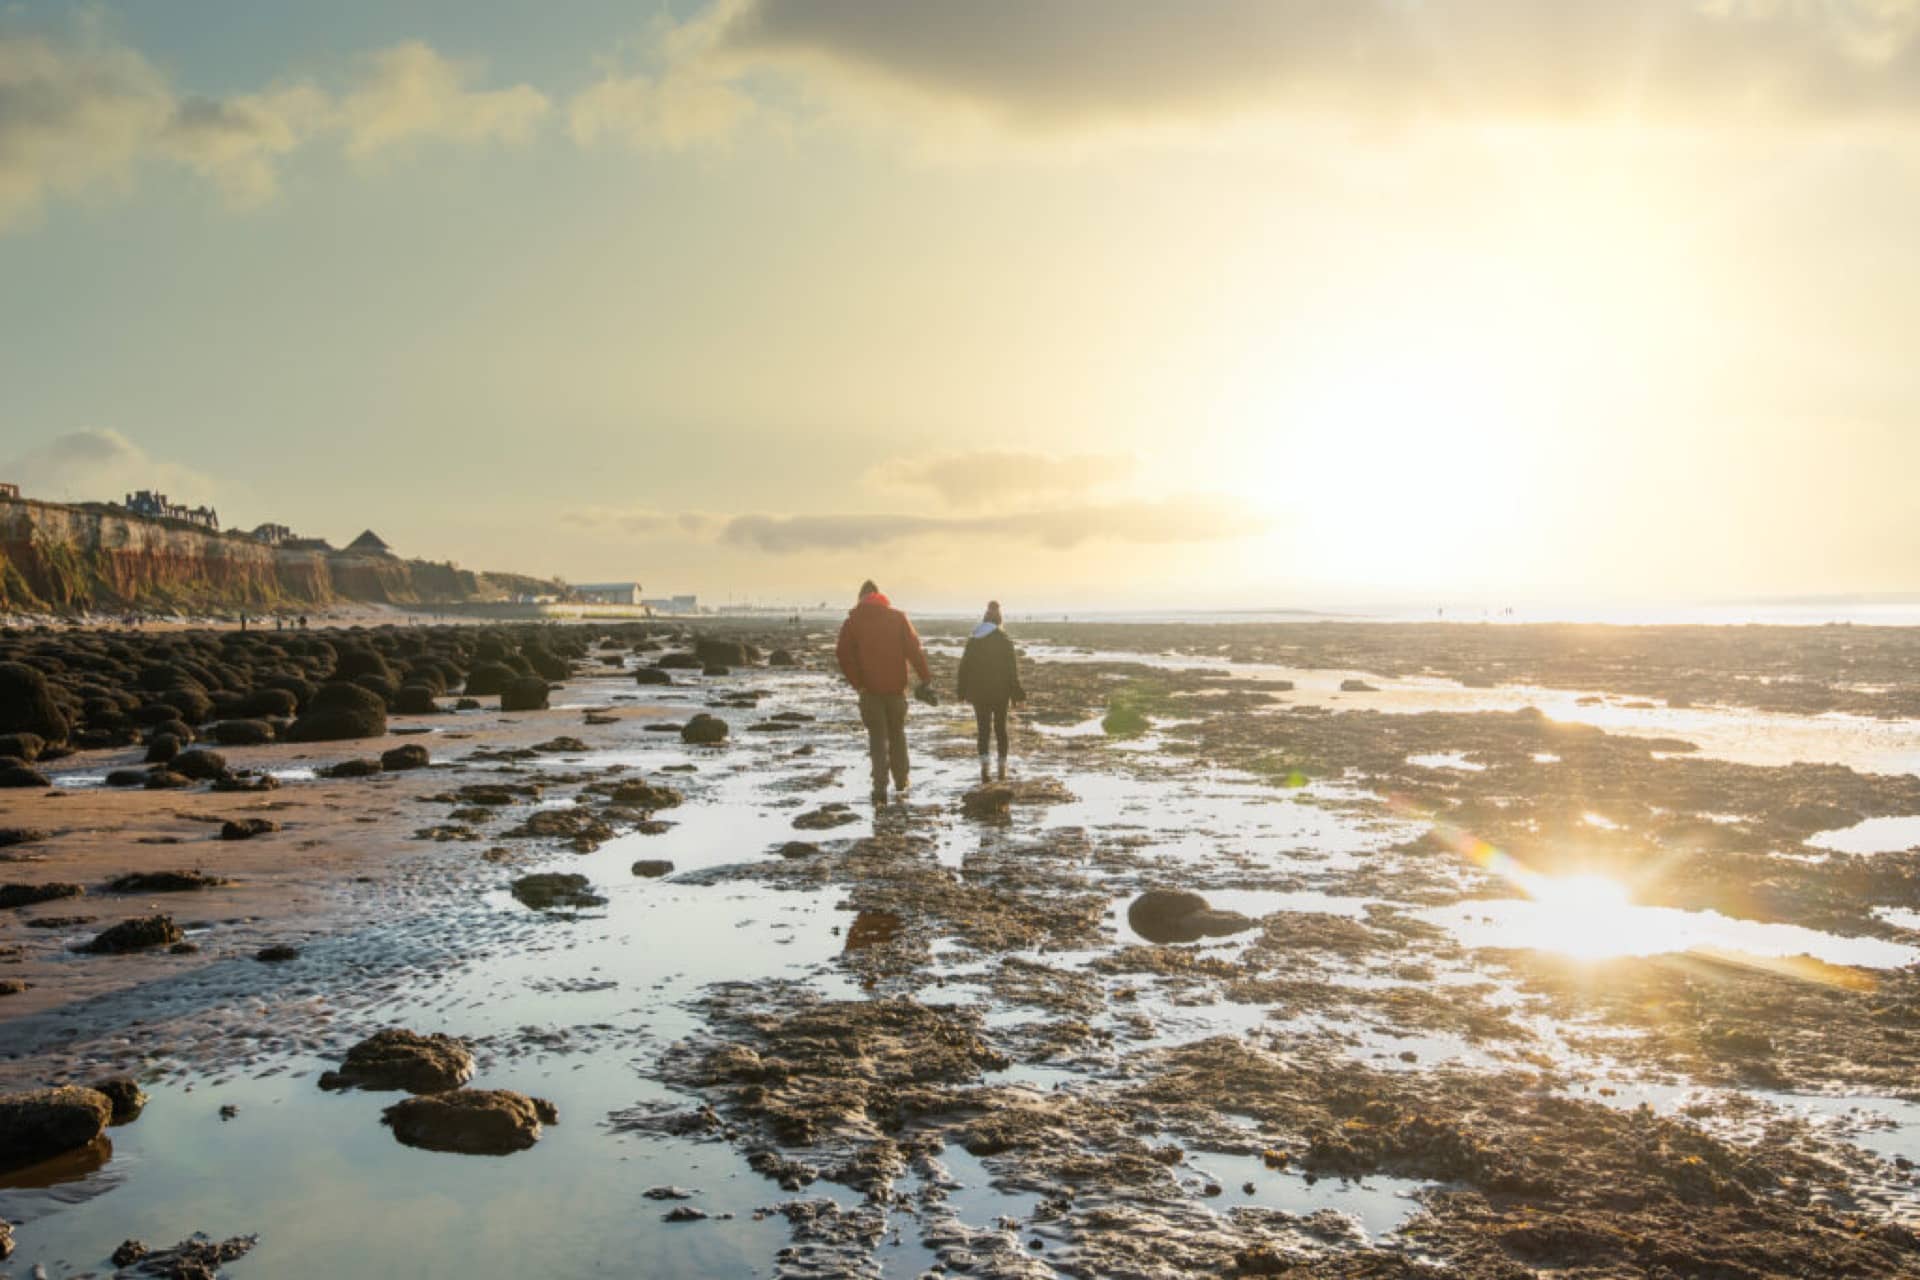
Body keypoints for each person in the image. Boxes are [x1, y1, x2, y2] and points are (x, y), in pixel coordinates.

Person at [835, 579, 932, 804]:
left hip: (869, 691)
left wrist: (858, 683)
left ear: (861, 598)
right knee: (897, 734)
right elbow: (914, 650)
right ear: (879, 596)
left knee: (877, 738)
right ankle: (901, 780)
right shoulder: (897, 618)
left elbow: (843, 655)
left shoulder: (853, 621)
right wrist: (925, 677)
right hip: (896, 690)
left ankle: (880, 787)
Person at [957, 600, 1024, 782]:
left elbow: (964, 666)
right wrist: (1017, 694)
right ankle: (1002, 766)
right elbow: (1012, 670)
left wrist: (961, 691)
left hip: (979, 692)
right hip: (1001, 692)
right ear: (999, 621)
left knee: (983, 729)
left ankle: (985, 767)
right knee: (1000, 728)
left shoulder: (974, 639)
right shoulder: (1005, 640)